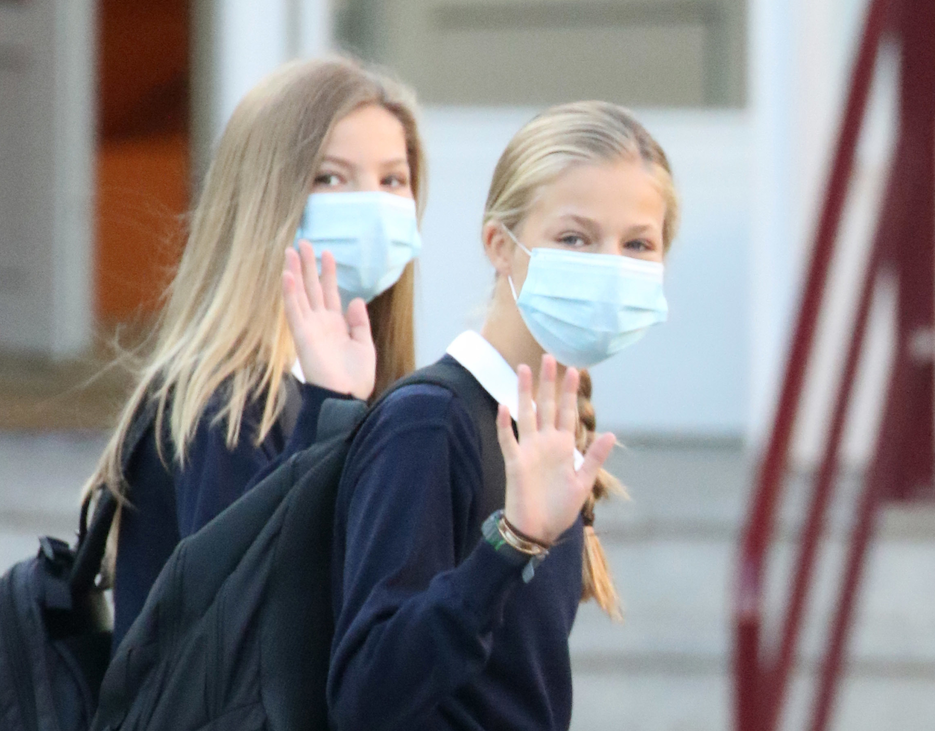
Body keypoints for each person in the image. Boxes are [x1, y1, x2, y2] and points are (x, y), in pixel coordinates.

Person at [325, 101, 676, 730]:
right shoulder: (431, 424)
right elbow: (366, 691)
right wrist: (510, 544)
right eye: (574, 238)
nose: (609, 264)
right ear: (500, 245)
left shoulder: (548, 435)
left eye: (638, 244)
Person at [82, 56, 427, 649]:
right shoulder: (226, 402)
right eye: (330, 178)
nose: (371, 205)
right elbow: (250, 622)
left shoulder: (374, 386)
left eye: (392, 180)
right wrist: (328, 409)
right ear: (268, 200)